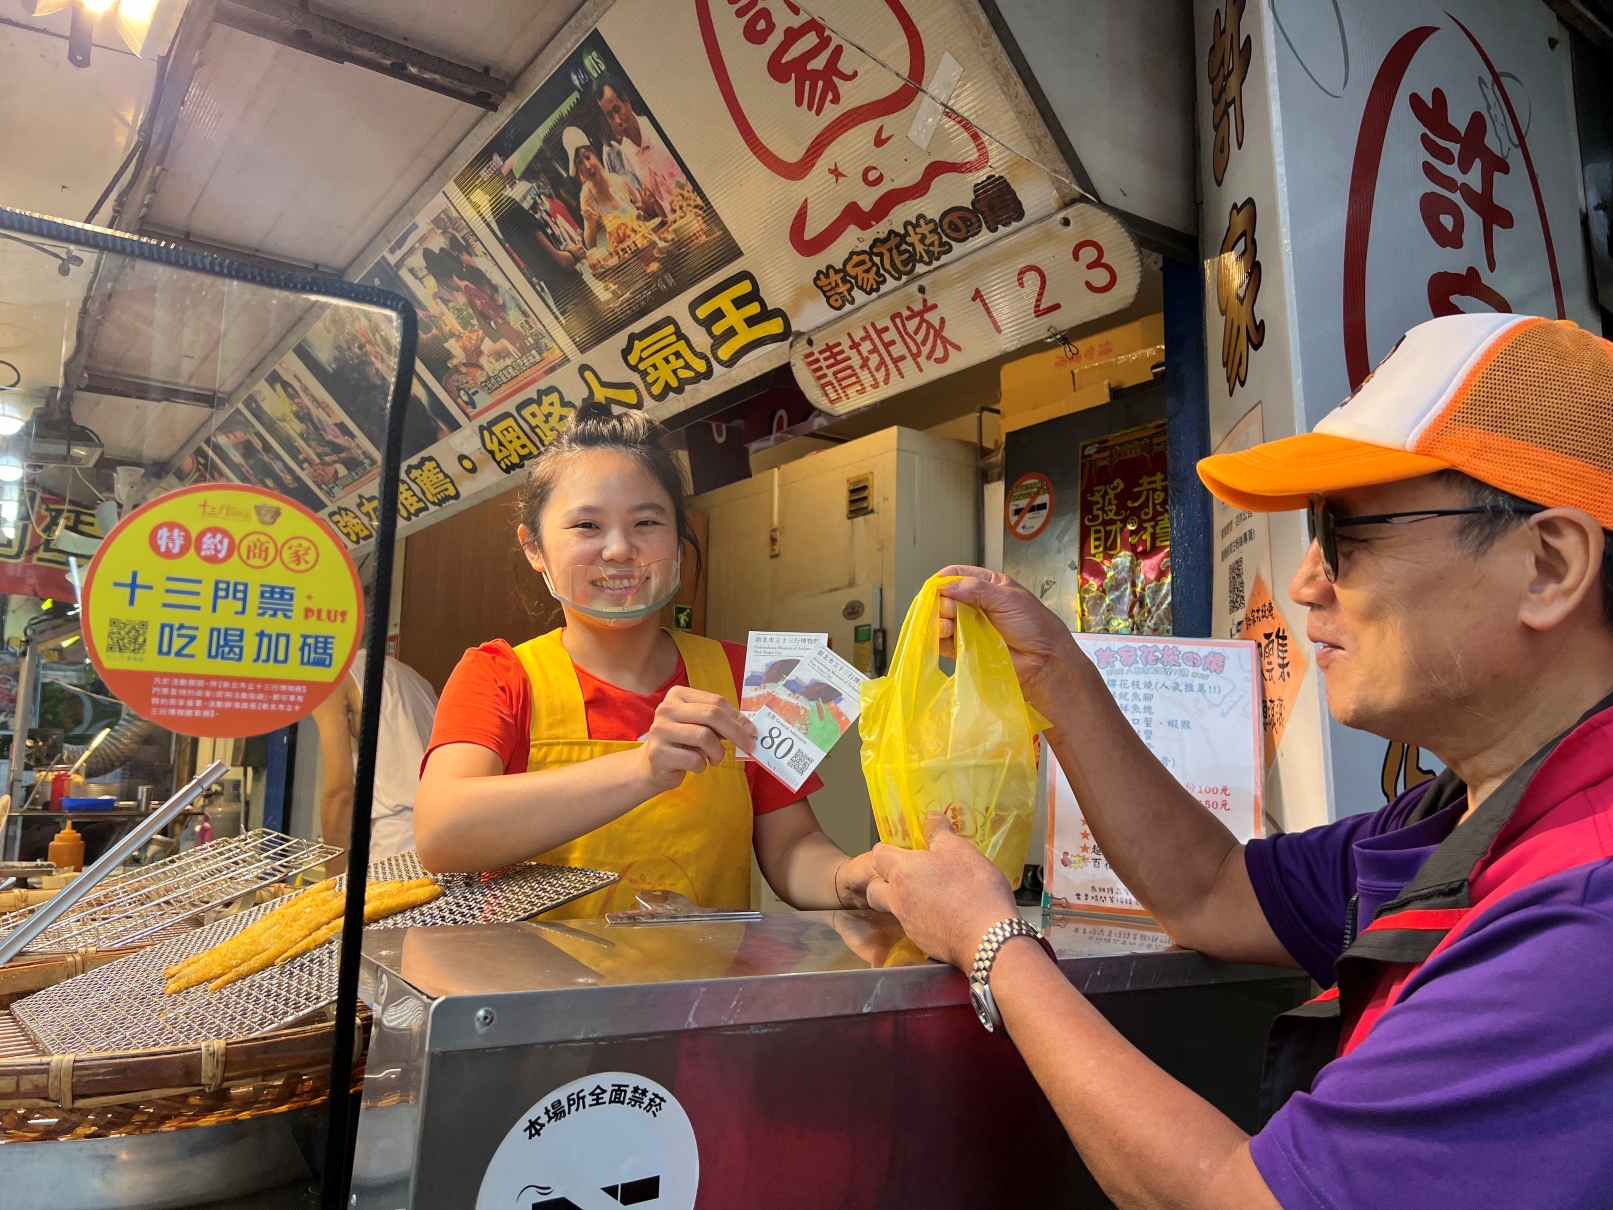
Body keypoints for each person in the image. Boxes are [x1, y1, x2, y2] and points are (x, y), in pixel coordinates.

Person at [864, 313, 1613, 1208]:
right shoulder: (1457, 822)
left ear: (1548, 565)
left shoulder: (1580, 912)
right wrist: (1054, 672)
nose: (1305, 582)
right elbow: (1209, 890)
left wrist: (989, 943)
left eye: (1348, 534)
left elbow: (1243, 1200)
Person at [414, 403, 878, 918]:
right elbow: (441, 834)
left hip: (703, 992)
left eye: (646, 522)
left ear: (679, 538)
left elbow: (792, 846)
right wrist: (642, 768)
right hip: (539, 996)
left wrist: (848, 880)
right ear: (534, 548)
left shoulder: (758, 677)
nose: (619, 550)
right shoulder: (497, 675)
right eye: (587, 525)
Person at [311, 649, 439, 873]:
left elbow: (339, 793)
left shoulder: (326, 680)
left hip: (401, 834)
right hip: (445, 821)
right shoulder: (398, 671)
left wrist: (332, 879)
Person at [594, 76, 687, 219]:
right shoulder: (626, 152)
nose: (617, 121)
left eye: (617, 109)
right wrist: (648, 209)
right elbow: (654, 200)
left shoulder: (656, 127)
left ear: (626, 102)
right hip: (675, 222)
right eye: (610, 116)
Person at [560, 126, 657, 253]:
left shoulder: (619, 180)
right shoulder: (586, 196)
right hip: (625, 258)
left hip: (647, 244)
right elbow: (591, 246)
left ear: (594, 154)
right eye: (580, 163)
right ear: (578, 169)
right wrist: (590, 223)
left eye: (587, 157)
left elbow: (643, 215)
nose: (587, 166)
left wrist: (646, 207)